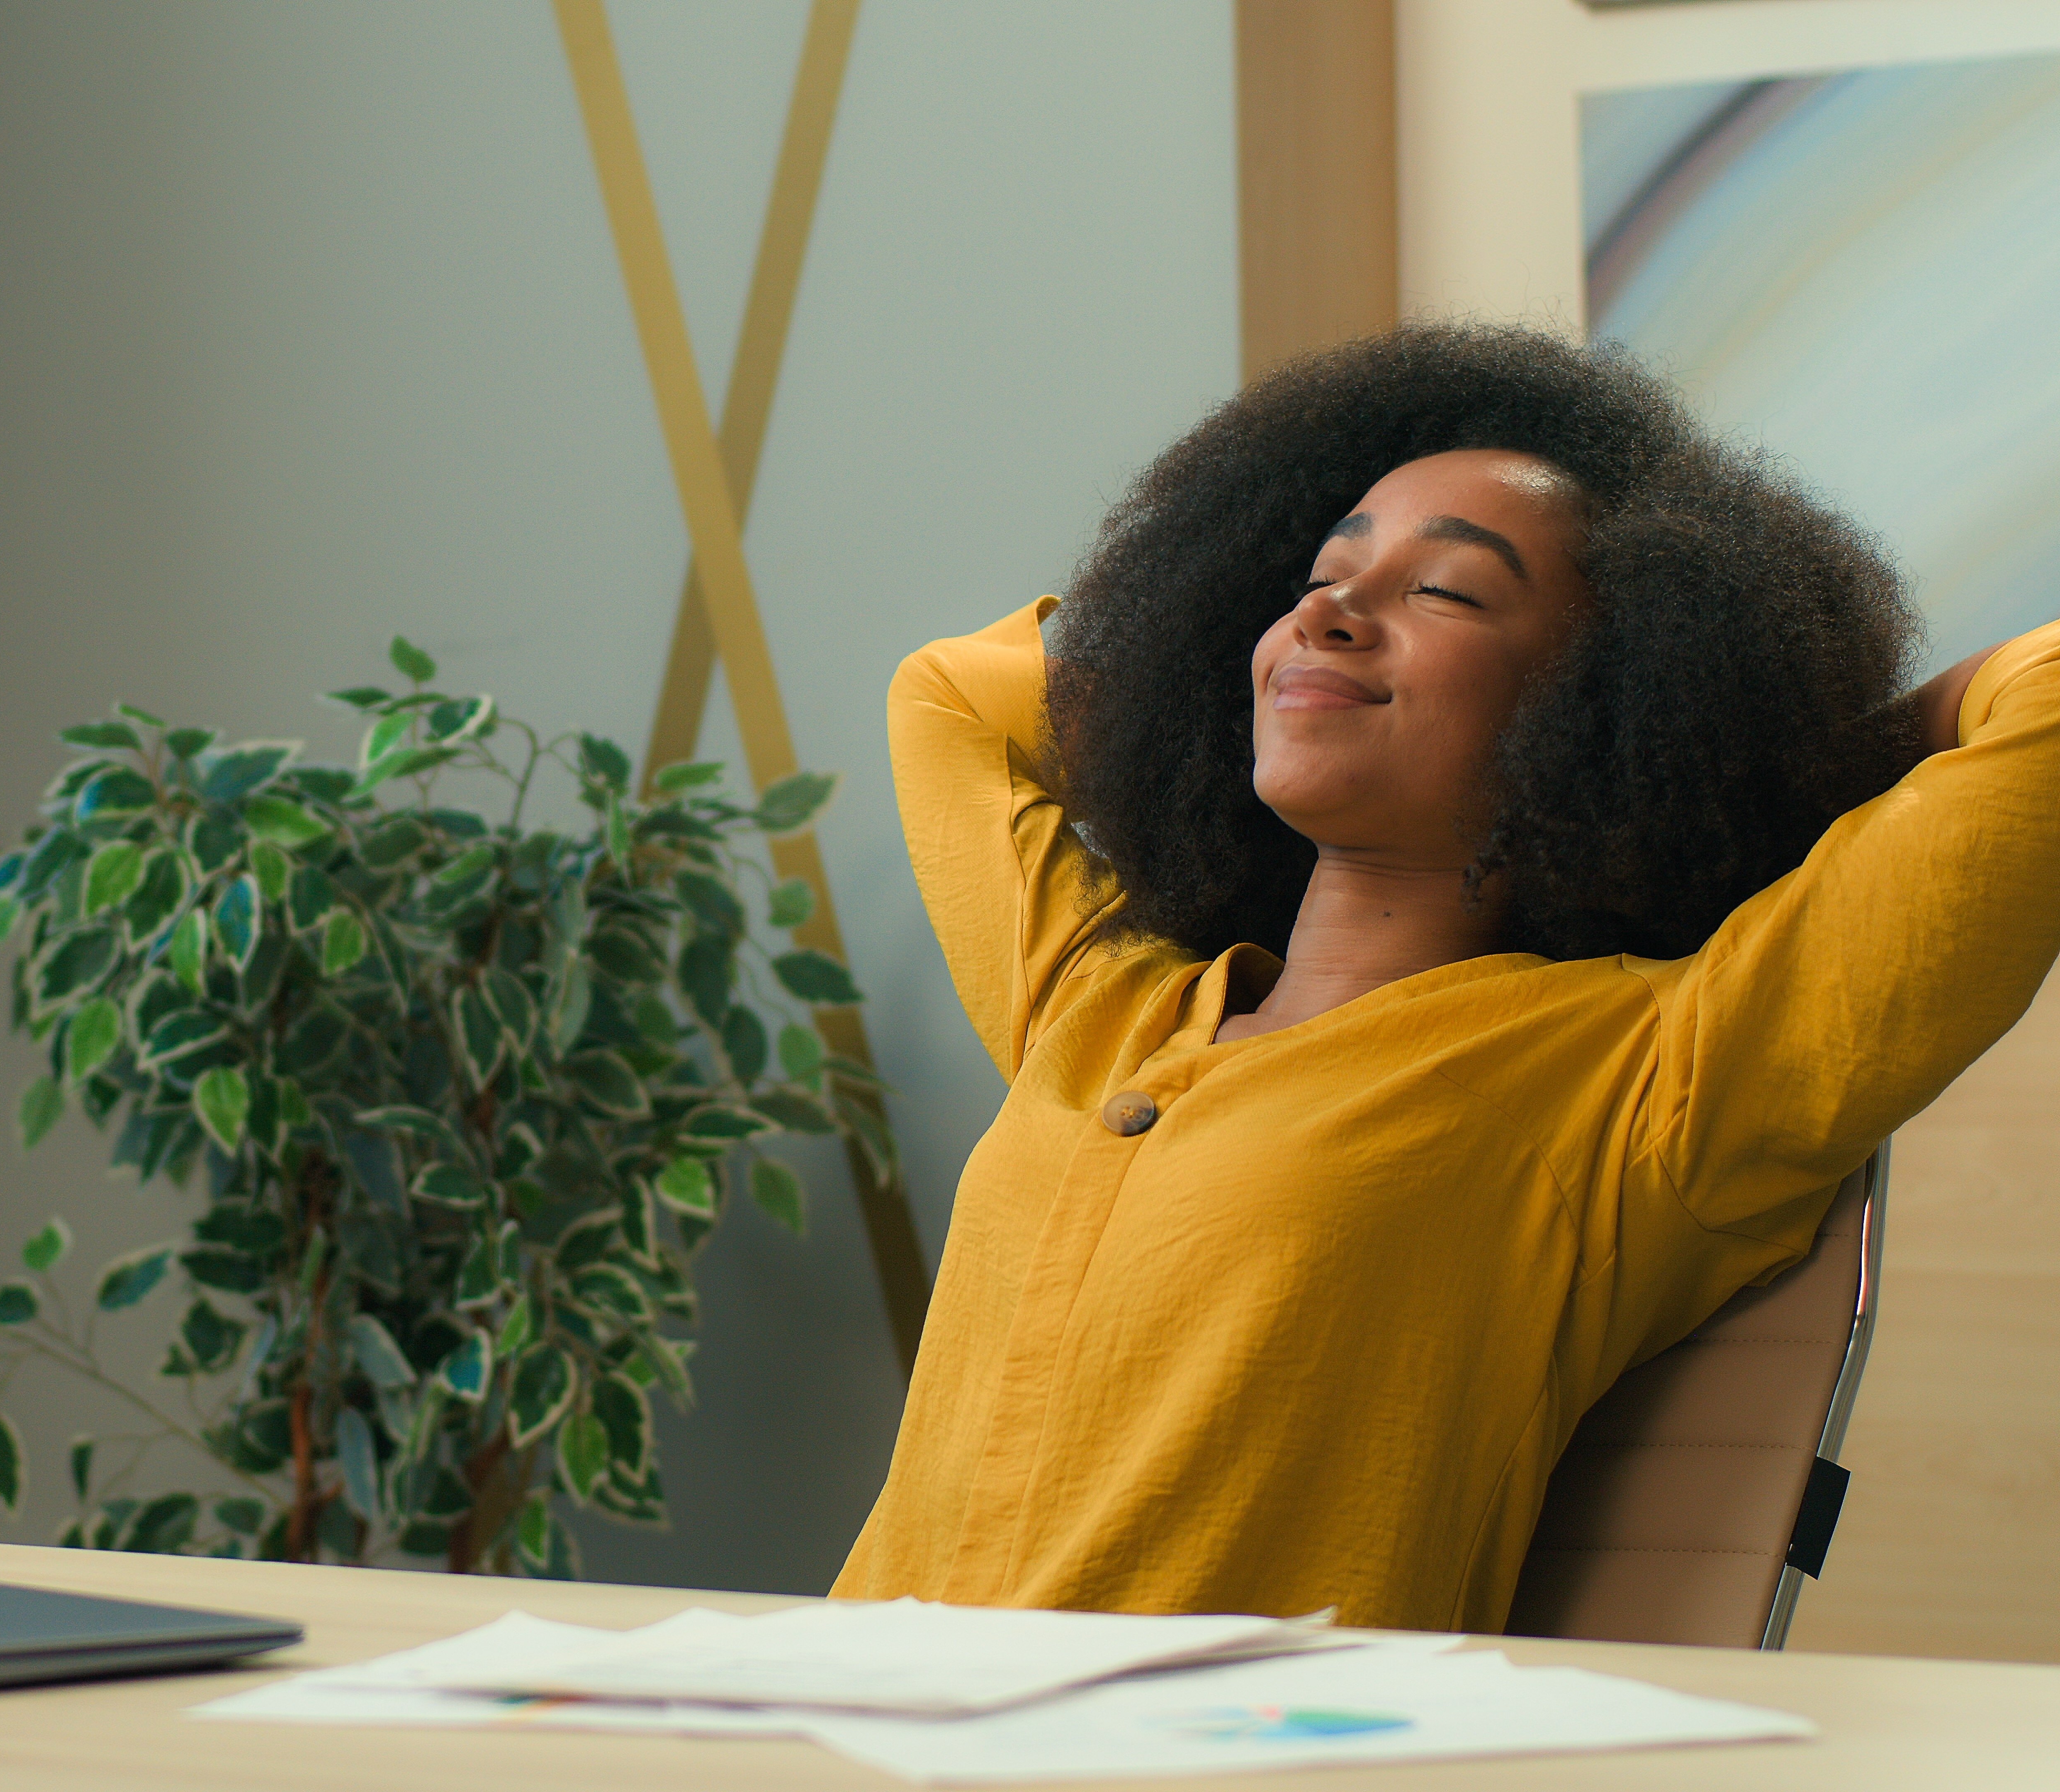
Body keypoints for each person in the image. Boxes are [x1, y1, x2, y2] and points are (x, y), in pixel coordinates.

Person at [832, 324, 2060, 1633]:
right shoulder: (1098, 1010)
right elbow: (952, 700)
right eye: (1321, 576)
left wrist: (1784, 774)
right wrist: (1188, 699)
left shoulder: (1653, 1082)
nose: (1326, 612)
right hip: (822, 1731)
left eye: (1450, 594)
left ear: (1598, 709)